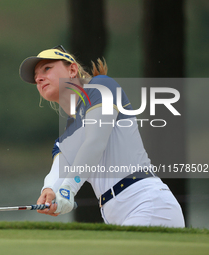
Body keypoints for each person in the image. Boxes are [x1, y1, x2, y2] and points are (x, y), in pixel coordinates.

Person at [19, 45, 185, 227]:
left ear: (72, 69)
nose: (39, 78)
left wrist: (68, 189)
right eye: (35, 77)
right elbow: (59, 172)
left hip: (146, 202)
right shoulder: (64, 139)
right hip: (115, 213)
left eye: (47, 68)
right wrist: (49, 190)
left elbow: (95, 142)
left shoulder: (102, 87)